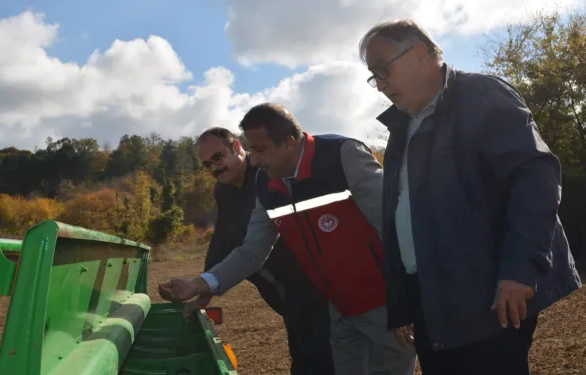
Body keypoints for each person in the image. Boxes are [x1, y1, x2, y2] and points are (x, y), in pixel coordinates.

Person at [358, 18, 582, 375]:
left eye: (383, 70)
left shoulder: (481, 96)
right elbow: (398, 214)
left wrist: (519, 270)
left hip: (488, 294)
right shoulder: (401, 126)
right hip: (431, 298)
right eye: (374, 76)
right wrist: (404, 305)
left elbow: (534, 179)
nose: (380, 85)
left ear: (418, 53)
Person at [159, 103, 417, 375]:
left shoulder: (342, 156)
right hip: (337, 312)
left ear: (289, 143)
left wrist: (405, 301)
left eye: (259, 150)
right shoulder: (266, 184)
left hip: (384, 309)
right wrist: (199, 284)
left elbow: (393, 226)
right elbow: (251, 251)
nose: (254, 160)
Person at [186, 126, 335, 375]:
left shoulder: (268, 176)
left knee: (325, 357)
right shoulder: (223, 190)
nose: (214, 168)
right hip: (281, 291)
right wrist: (204, 289)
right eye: (207, 165)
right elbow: (223, 238)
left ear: (236, 147)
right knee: (302, 354)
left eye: (217, 158)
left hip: (312, 284)